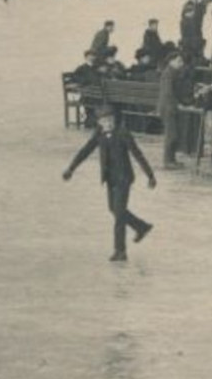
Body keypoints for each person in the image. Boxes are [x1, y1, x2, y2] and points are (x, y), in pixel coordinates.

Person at [62, 106, 157, 262]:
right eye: (105, 120)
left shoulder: (123, 133)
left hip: (124, 178)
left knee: (119, 214)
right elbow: (85, 151)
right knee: (113, 209)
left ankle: (120, 251)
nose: (108, 123)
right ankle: (141, 227)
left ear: (115, 119)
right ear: (99, 122)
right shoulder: (99, 135)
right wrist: (71, 169)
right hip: (110, 179)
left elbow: (137, 154)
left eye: (111, 119)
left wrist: (150, 175)